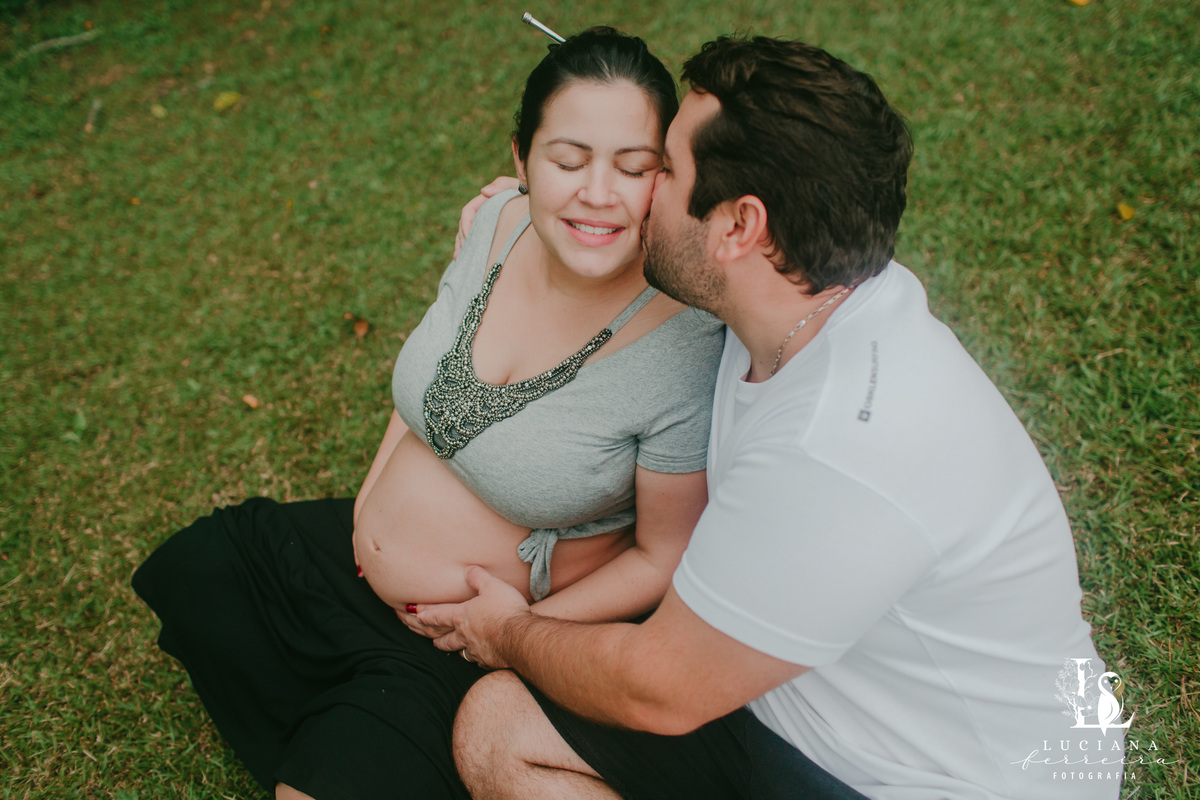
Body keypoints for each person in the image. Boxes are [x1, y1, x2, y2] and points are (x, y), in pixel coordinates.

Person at [420, 36, 1122, 800]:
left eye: (664, 167)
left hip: (925, 782)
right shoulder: (802, 290)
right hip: (795, 712)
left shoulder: (842, 448)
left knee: (505, 711)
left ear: (737, 228)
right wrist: (514, 213)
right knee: (504, 727)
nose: (640, 188)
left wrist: (507, 633)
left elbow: (659, 689)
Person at [131, 27, 725, 800]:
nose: (597, 194)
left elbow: (664, 556)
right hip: (355, 566)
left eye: (634, 167)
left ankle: (377, 736)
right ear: (522, 159)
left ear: (668, 177)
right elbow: (424, 395)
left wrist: (509, 633)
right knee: (200, 568)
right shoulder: (496, 225)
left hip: (461, 638)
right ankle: (366, 735)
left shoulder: (683, 345)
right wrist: (370, 507)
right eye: (568, 160)